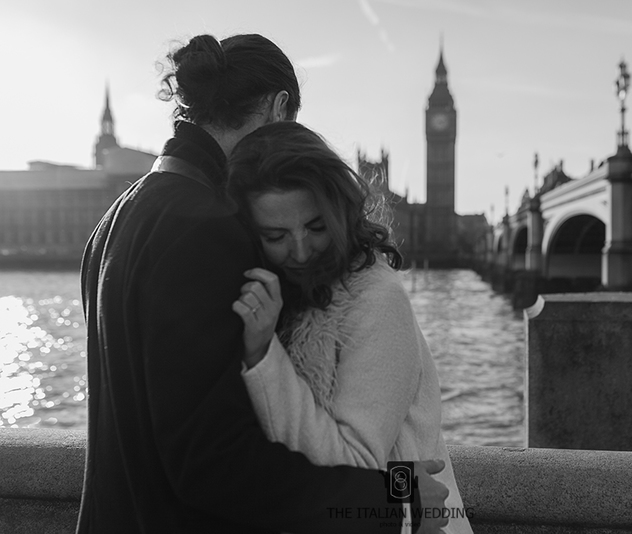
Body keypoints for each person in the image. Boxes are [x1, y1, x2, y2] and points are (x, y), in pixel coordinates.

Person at [78, 33, 449, 533]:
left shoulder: (115, 220)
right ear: (279, 108)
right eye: (279, 234)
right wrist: (397, 500)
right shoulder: (205, 227)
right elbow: (215, 462)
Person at [226, 121, 474, 534]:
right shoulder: (283, 297)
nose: (301, 250)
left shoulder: (378, 299)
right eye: (276, 235)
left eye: (316, 227)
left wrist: (262, 355)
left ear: (339, 211)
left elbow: (356, 467)